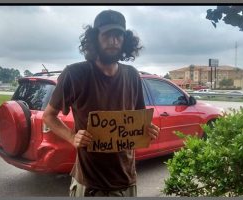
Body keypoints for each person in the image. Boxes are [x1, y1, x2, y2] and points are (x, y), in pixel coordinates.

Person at [43, 9, 160, 197]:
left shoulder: (132, 75)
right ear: (94, 38)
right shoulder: (75, 74)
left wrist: (149, 130)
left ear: (125, 40)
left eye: (118, 35)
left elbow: (139, 121)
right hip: (89, 184)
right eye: (107, 35)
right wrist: (72, 137)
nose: (113, 41)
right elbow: (49, 116)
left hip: (127, 181)